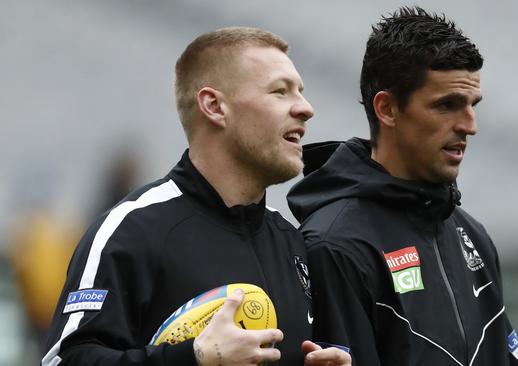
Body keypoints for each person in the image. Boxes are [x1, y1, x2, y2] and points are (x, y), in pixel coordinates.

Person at [42, 27, 351, 366]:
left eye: (301, 92)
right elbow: (64, 361)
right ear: (215, 106)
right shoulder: (131, 231)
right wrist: (195, 357)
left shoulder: (291, 242)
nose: (306, 108)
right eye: (280, 91)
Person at [288, 7, 518, 365]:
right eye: (447, 105)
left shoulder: (471, 234)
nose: (469, 125)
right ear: (387, 109)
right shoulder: (335, 246)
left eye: (472, 105)